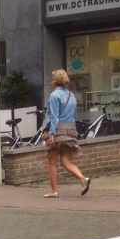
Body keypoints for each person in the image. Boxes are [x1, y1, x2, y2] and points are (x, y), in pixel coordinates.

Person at [42, 69, 90, 198]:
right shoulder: (71, 96)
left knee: (52, 160)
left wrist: (51, 134)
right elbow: (74, 116)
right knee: (66, 161)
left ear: (55, 82)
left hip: (58, 132)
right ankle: (83, 179)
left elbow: (54, 117)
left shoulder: (54, 96)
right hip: (70, 131)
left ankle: (54, 190)